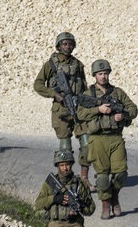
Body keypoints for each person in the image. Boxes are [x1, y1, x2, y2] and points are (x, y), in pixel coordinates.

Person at [76, 59, 138, 220]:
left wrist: (123, 115)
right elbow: (80, 114)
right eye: (100, 74)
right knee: (102, 177)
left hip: (116, 138)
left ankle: (114, 197)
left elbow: (133, 108)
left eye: (105, 73)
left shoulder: (118, 93)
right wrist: (99, 109)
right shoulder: (89, 95)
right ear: (95, 76)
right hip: (97, 139)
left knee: (121, 174)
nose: (103, 77)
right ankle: (105, 205)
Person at [33, 31, 94, 190]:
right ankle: (67, 181)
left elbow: (85, 86)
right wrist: (55, 94)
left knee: (87, 144)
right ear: (59, 46)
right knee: (65, 149)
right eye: (64, 44)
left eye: (70, 44)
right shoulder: (50, 64)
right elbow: (38, 85)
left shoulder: (78, 64)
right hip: (61, 110)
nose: (68, 47)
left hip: (79, 108)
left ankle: (84, 179)